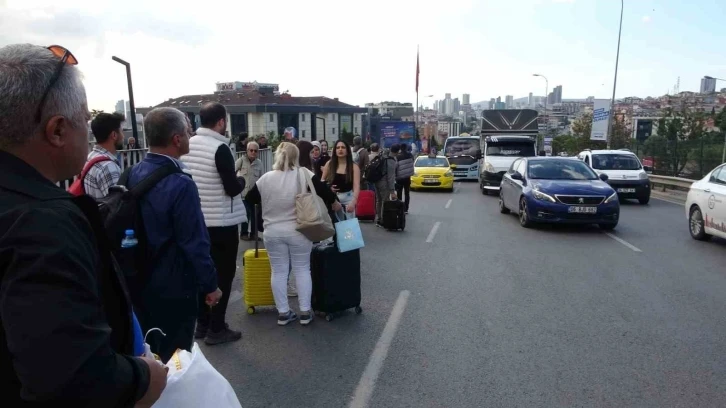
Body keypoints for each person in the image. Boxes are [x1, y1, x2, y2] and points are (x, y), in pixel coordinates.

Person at [0, 43, 165, 407]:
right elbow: (73, 378)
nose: (89, 131)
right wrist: (144, 378)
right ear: (57, 130)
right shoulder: (43, 224)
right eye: (84, 119)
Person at [127, 108, 222, 358]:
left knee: (150, 351)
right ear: (177, 139)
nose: (190, 137)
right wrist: (211, 285)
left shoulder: (133, 174)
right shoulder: (181, 183)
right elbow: (194, 242)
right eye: (188, 132)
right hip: (174, 284)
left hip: (137, 277)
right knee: (176, 357)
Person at [244, 143, 341, 326]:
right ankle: (305, 312)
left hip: (272, 232)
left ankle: (283, 313)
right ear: (295, 156)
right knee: (302, 269)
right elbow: (324, 192)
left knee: (279, 271)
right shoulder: (303, 173)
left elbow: (250, 198)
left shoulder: (266, 178)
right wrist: (335, 203)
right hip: (298, 231)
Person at [181, 102, 245, 345]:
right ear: (220, 122)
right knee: (223, 276)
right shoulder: (220, 148)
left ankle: (202, 324)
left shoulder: (189, 145)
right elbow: (231, 188)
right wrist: (240, 181)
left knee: (201, 273)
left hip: (197, 220)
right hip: (222, 223)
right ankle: (217, 327)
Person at [85, 111, 125, 199]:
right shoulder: (108, 167)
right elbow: (117, 207)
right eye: (121, 131)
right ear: (114, 135)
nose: (123, 136)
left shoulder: (90, 157)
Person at [322, 140, 361, 217]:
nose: (340, 149)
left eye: (343, 147)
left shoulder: (354, 167)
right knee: (333, 226)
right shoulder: (329, 164)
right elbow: (322, 181)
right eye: (338, 147)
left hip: (348, 200)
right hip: (332, 200)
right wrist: (328, 187)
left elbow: (356, 186)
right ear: (335, 150)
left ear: (347, 150)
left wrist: (353, 202)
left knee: (348, 228)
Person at [236, 141, 262, 241]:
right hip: (243, 194)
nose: (253, 152)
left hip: (254, 194)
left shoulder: (259, 163)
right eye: (251, 150)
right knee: (246, 213)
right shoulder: (240, 161)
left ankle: (254, 234)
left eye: (255, 151)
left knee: (255, 214)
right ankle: (243, 233)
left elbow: (261, 178)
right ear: (247, 151)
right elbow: (232, 173)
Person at [374, 145, 398, 227]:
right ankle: (383, 220)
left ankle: (378, 219)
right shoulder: (391, 160)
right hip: (384, 184)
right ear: (397, 152)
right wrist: (392, 191)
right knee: (385, 201)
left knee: (378, 200)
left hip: (376, 181)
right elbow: (390, 177)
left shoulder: (383, 155)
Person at [394, 143, 414, 214]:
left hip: (399, 178)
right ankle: (406, 209)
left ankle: (400, 208)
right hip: (407, 178)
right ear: (406, 148)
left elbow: (395, 167)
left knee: (399, 193)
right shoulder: (410, 155)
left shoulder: (398, 157)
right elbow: (412, 164)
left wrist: (395, 176)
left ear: (400, 149)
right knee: (407, 193)